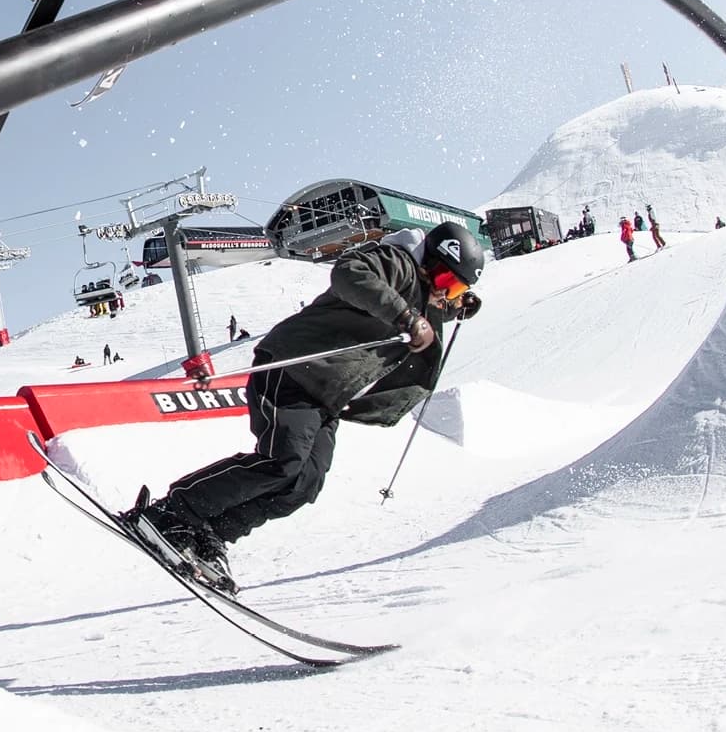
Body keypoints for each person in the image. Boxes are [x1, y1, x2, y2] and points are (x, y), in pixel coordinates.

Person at [121, 222, 486, 593]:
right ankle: (169, 514)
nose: (446, 291)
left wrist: (455, 307)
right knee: (283, 463)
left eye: (455, 287)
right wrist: (408, 317)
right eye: (445, 280)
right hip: (292, 367)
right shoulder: (395, 260)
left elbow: (423, 304)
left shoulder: (426, 292)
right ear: (431, 260)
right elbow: (350, 274)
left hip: (325, 394)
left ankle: (208, 533)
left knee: (304, 484)